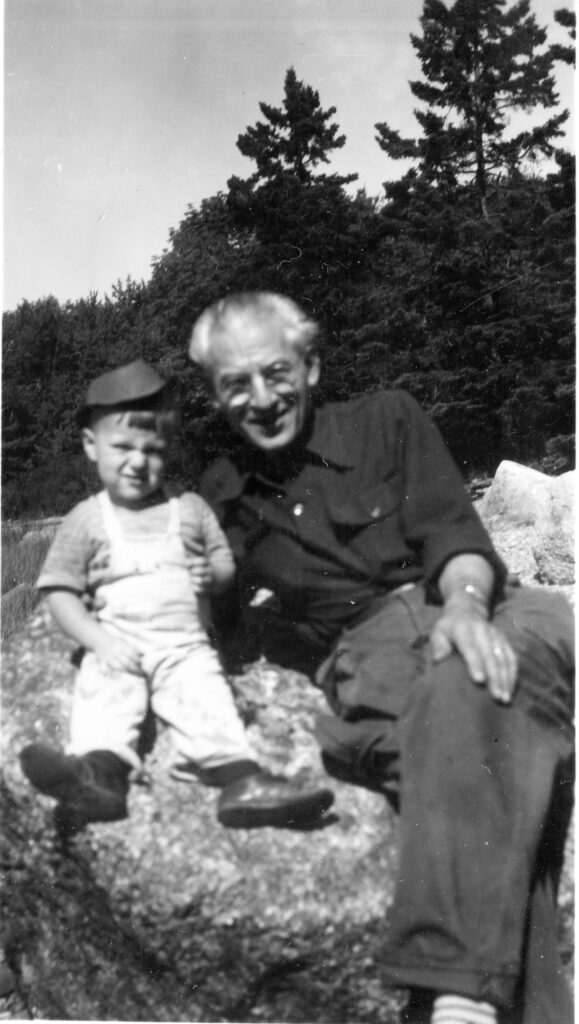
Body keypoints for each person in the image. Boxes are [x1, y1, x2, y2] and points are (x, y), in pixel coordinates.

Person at [188, 292, 574, 1024]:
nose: (262, 399)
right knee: (477, 730)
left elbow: (455, 533)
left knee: (494, 660)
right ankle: (478, 1002)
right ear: (215, 394)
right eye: (236, 385)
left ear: (311, 366)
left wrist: (462, 608)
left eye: (276, 373)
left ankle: (454, 993)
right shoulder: (221, 494)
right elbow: (220, 628)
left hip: (489, 604)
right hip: (371, 654)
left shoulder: (387, 418)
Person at [19, 359, 334, 835]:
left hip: (185, 643)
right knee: (104, 695)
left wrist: (212, 573)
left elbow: (225, 567)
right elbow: (61, 593)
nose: (137, 461)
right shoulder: (86, 519)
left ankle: (241, 782)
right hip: (117, 639)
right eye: (122, 446)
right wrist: (97, 641)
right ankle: (98, 777)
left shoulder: (189, 510)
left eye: (153, 448)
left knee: (206, 697)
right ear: (91, 445)